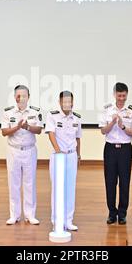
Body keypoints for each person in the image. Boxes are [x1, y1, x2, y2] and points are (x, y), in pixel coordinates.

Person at [1, 85, 43, 225]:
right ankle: (14, 215)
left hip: (29, 150)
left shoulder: (35, 112)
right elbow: (4, 132)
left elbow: (39, 130)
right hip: (13, 151)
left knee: (29, 183)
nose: (21, 98)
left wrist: (28, 127)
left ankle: (30, 214)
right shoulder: (8, 113)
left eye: (24, 95)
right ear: (15, 97)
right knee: (13, 183)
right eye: (18, 95)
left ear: (28, 97)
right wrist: (17, 127)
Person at [99, 82, 132, 225]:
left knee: (124, 182)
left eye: (124, 95)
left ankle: (122, 214)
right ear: (114, 94)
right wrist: (112, 123)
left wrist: (122, 126)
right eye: (119, 95)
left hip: (125, 149)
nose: (121, 98)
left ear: (127, 95)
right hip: (110, 148)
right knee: (110, 182)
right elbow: (103, 131)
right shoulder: (107, 109)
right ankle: (111, 213)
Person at [45, 91, 81, 231]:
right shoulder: (52, 115)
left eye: (69, 101)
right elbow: (51, 134)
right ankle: (56, 220)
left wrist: (78, 155)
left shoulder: (76, 118)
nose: (67, 104)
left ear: (72, 102)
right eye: (64, 101)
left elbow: (78, 138)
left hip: (71, 155)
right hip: (58, 156)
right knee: (57, 188)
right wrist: (58, 150)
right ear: (60, 102)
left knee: (70, 188)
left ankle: (68, 220)